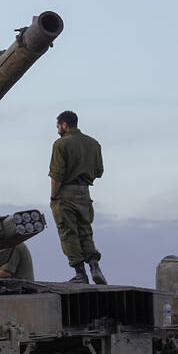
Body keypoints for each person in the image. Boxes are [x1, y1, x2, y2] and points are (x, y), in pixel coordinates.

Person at [48, 110, 107, 284]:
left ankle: (80, 274)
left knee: (68, 233)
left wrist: (53, 197)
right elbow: (99, 171)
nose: (58, 130)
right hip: (85, 193)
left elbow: (57, 175)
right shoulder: (93, 143)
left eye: (58, 126)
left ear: (64, 124)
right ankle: (94, 266)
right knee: (85, 232)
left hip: (66, 193)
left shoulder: (61, 144)